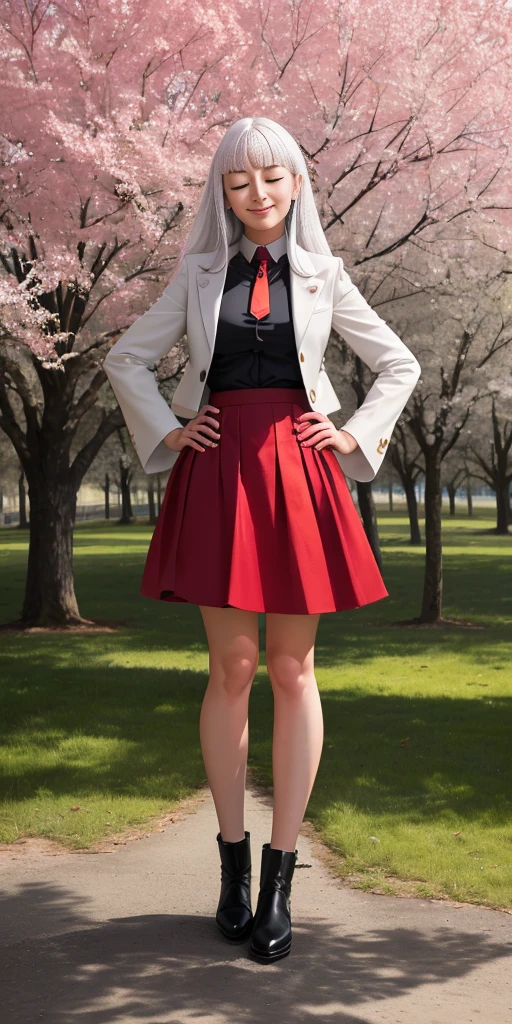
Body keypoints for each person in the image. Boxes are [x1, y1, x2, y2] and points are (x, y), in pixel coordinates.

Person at [104, 116, 421, 965]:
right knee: (232, 668)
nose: (258, 194)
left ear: (297, 183)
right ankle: (232, 873)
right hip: (220, 470)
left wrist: (355, 437)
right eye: (239, 181)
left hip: (300, 467)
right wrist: (170, 431)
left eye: (273, 178)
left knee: (292, 669)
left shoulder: (326, 275)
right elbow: (127, 360)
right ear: (222, 191)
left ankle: (282, 878)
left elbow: (400, 365)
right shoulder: (198, 272)